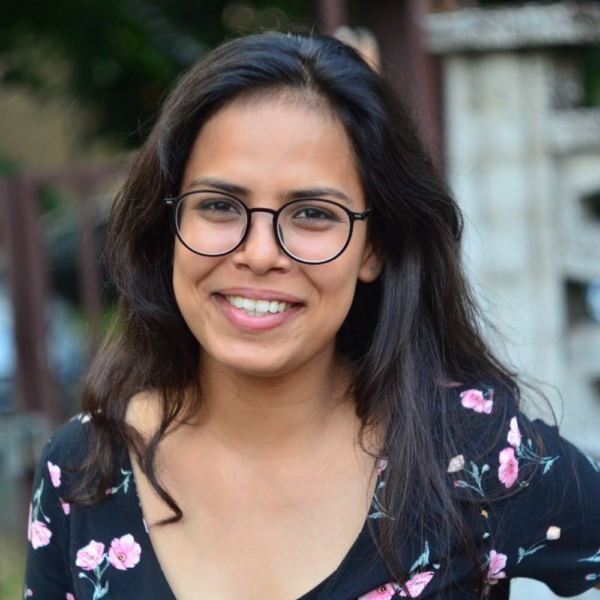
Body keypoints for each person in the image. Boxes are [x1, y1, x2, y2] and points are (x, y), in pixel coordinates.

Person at [22, 31, 600, 600]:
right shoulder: (83, 471)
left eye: (312, 214)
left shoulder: (472, 454)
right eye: (220, 206)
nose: (259, 253)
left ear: (374, 248)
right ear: (169, 224)